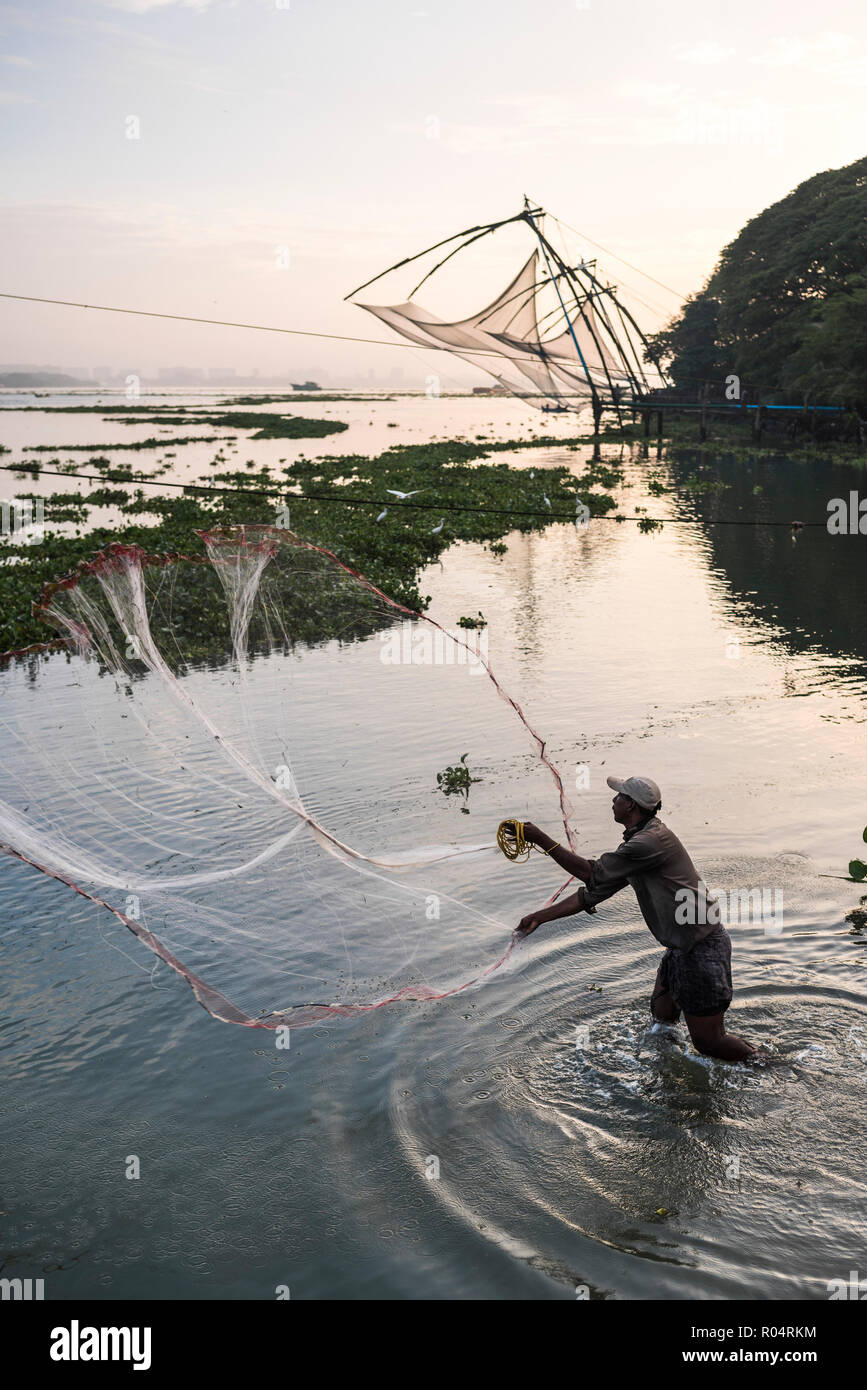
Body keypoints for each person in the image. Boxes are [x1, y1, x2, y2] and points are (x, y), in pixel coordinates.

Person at [512, 775, 758, 1062]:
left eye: (618, 797)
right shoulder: (640, 844)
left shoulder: (648, 843)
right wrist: (538, 918)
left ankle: (770, 1066)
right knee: (662, 1020)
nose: (613, 801)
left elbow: (592, 874)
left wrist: (540, 838)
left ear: (630, 805)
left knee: (709, 1042)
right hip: (682, 948)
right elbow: (592, 892)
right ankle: (669, 1076)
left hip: (700, 949)